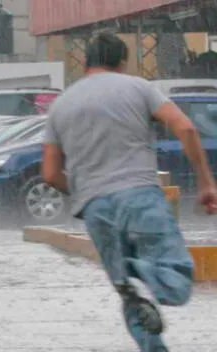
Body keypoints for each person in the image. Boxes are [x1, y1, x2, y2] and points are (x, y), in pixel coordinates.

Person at [41, 32, 217, 352]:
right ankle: (139, 273)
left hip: (95, 209)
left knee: (130, 296)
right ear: (122, 61)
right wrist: (206, 182)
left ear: (85, 63)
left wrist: (83, 192)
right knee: (176, 277)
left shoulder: (60, 105)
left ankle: (144, 319)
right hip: (139, 196)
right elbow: (187, 128)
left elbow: (50, 174)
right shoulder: (139, 87)